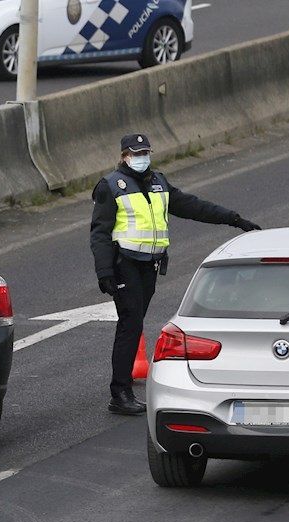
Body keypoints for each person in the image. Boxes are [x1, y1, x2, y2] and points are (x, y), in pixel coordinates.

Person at [90, 133, 261, 416]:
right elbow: (99, 233)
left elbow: (192, 206)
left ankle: (122, 386)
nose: (142, 158)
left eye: (145, 152)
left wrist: (233, 218)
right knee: (130, 324)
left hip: (150, 264)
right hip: (125, 263)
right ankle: (119, 393)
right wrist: (105, 271)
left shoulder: (159, 182)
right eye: (136, 153)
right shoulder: (111, 186)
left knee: (133, 323)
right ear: (124, 156)